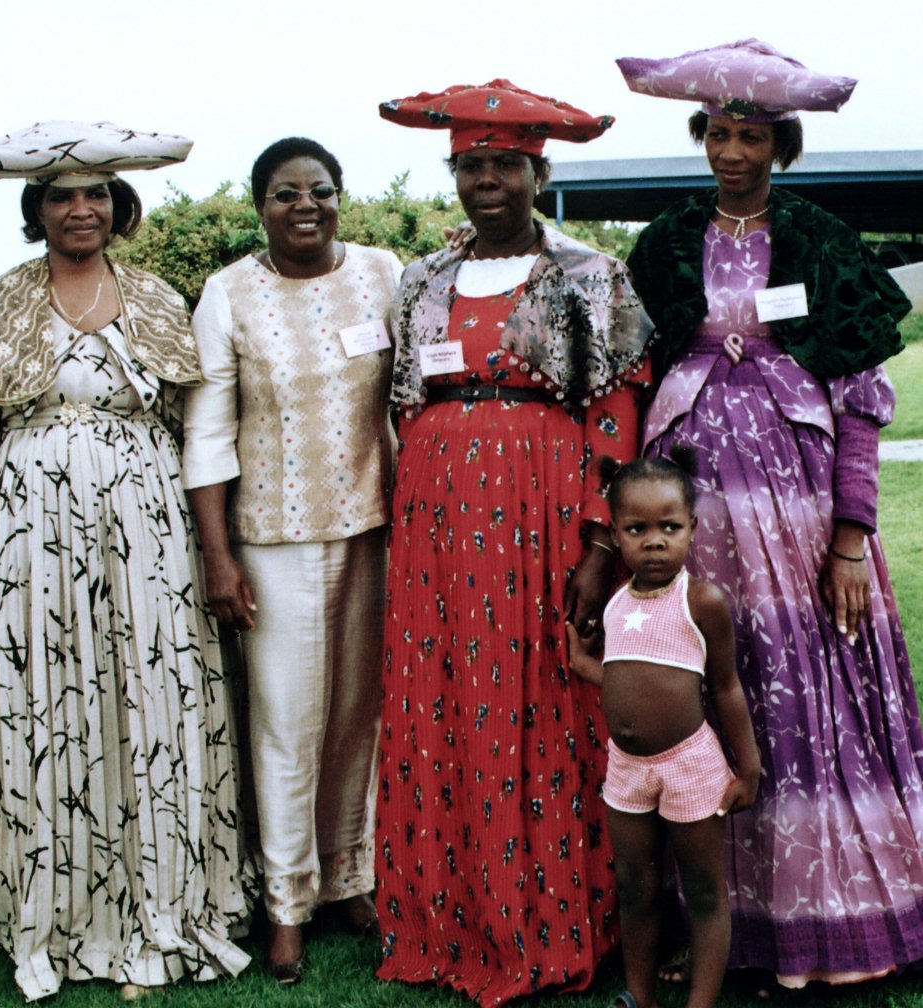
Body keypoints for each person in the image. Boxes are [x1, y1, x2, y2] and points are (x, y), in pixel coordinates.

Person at [0, 121, 253, 1002]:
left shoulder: (155, 301)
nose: (80, 209)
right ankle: (60, 914)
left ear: (117, 205)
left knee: (149, 698)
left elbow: (200, 432)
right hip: (33, 536)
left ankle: (160, 899)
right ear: (37, 209)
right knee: (51, 702)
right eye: (62, 195)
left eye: (95, 193)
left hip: (145, 531)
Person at [617, 40, 923, 992]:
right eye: (716, 131)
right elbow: (636, 377)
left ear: (780, 141)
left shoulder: (818, 237)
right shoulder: (666, 240)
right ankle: (712, 913)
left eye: (750, 134)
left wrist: (849, 536)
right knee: (708, 669)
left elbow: (863, 403)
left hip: (795, 501)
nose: (731, 150)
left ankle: (823, 914)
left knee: (803, 676)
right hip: (696, 495)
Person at [374, 80, 655, 1005]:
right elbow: (400, 401)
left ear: (538, 172)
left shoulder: (587, 274)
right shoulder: (421, 278)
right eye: (470, 166)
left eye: (504, 165)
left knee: (542, 690)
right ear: (453, 174)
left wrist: (597, 543)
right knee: (444, 693)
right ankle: (448, 918)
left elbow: (615, 412)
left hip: (540, 510)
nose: (486, 180)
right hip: (435, 519)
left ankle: (551, 919)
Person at [182, 137, 402, 985]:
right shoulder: (229, 292)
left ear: (341, 197)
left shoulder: (384, 273)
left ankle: (351, 877)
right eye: (283, 194)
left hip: (374, 528)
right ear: (260, 206)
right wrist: (218, 554)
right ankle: (283, 904)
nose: (303, 206)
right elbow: (205, 433)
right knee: (286, 721)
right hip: (270, 536)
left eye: (319, 190)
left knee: (360, 714)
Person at [567, 451, 760, 1008]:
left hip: (690, 767)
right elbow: (622, 673)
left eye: (669, 528)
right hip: (627, 771)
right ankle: (639, 997)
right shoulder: (615, 605)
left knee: (702, 890)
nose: (654, 542)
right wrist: (583, 663)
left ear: (692, 529)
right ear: (617, 533)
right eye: (637, 529)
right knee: (636, 888)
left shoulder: (701, 602)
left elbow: (725, 689)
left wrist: (748, 768)